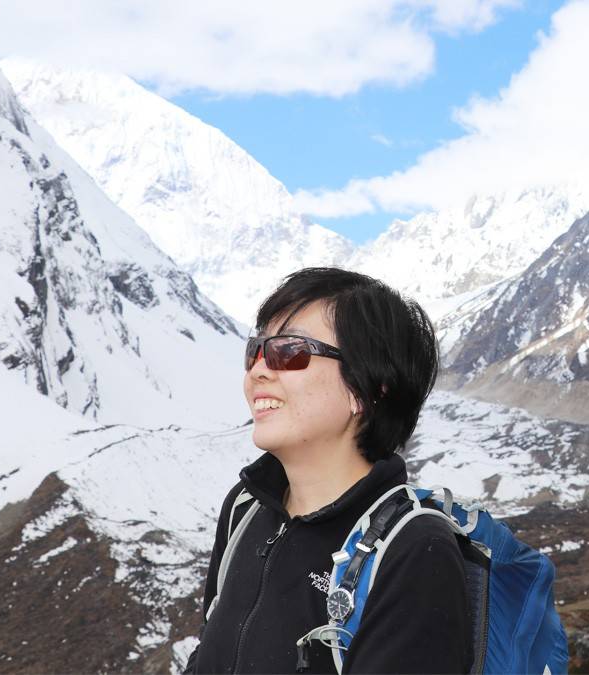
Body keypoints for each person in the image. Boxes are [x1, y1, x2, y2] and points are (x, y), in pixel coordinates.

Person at [183, 267, 472, 674]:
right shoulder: (245, 509)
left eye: (290, 350)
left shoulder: (413, 550)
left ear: (366, 390)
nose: (258, 371)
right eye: (256, 350)